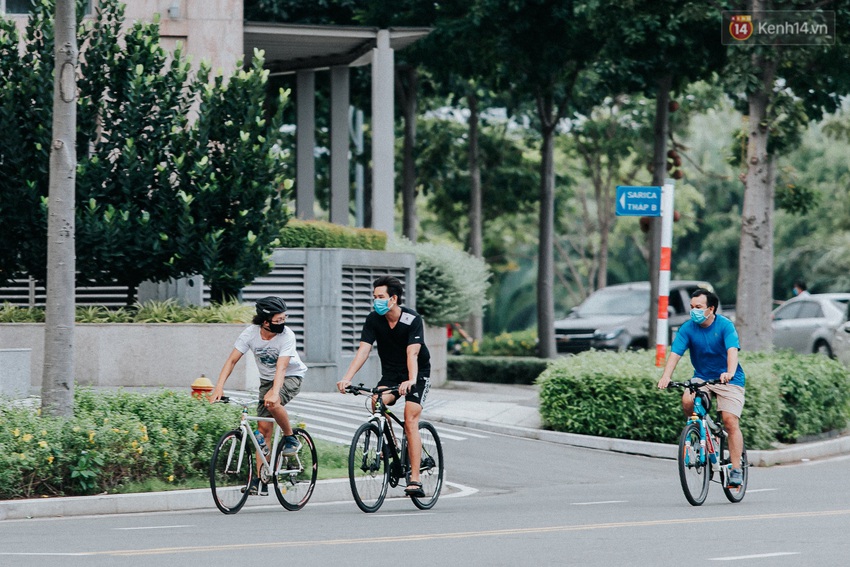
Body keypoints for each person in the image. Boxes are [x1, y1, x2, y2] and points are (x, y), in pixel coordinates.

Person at [336, 275, 431, 497]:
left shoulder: (412, 319)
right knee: (375, 402)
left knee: (410, 419)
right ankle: (393, 445)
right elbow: (363, 350)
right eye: (374, 297)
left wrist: (410, 380)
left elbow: (413, 352)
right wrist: (347, 377)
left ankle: (415, 480)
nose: (376, 301)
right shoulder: (373, 320)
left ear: (393, 299)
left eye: (381, 297)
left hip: (416, 373)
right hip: (390, 373)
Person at [210, 296, 308, 496]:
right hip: (266, 380)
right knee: (262, 432)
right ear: (265, 321)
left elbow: (281, 368)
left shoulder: (287, 335)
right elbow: (231, 361)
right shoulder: (250, 334)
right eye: (278, 320)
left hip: (290, 376)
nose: (283, 323)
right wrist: (219, 387)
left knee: (273, 404)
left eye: (284, 318)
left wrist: (274, 392)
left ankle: (290, 439)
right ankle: (260, 480)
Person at [656, 288, 746, 486]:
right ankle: (698, 431)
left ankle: (736, 469)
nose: (694, 311)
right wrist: (666, 376)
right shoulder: (687, 329)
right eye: (692, 307)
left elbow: (732, 351)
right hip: (702, 378)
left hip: (728, 379)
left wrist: (729, 372)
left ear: (711, 309)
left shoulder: (725, 326)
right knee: (687, 400)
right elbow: (675, 354)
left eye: (699, 307)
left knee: (730, 422)